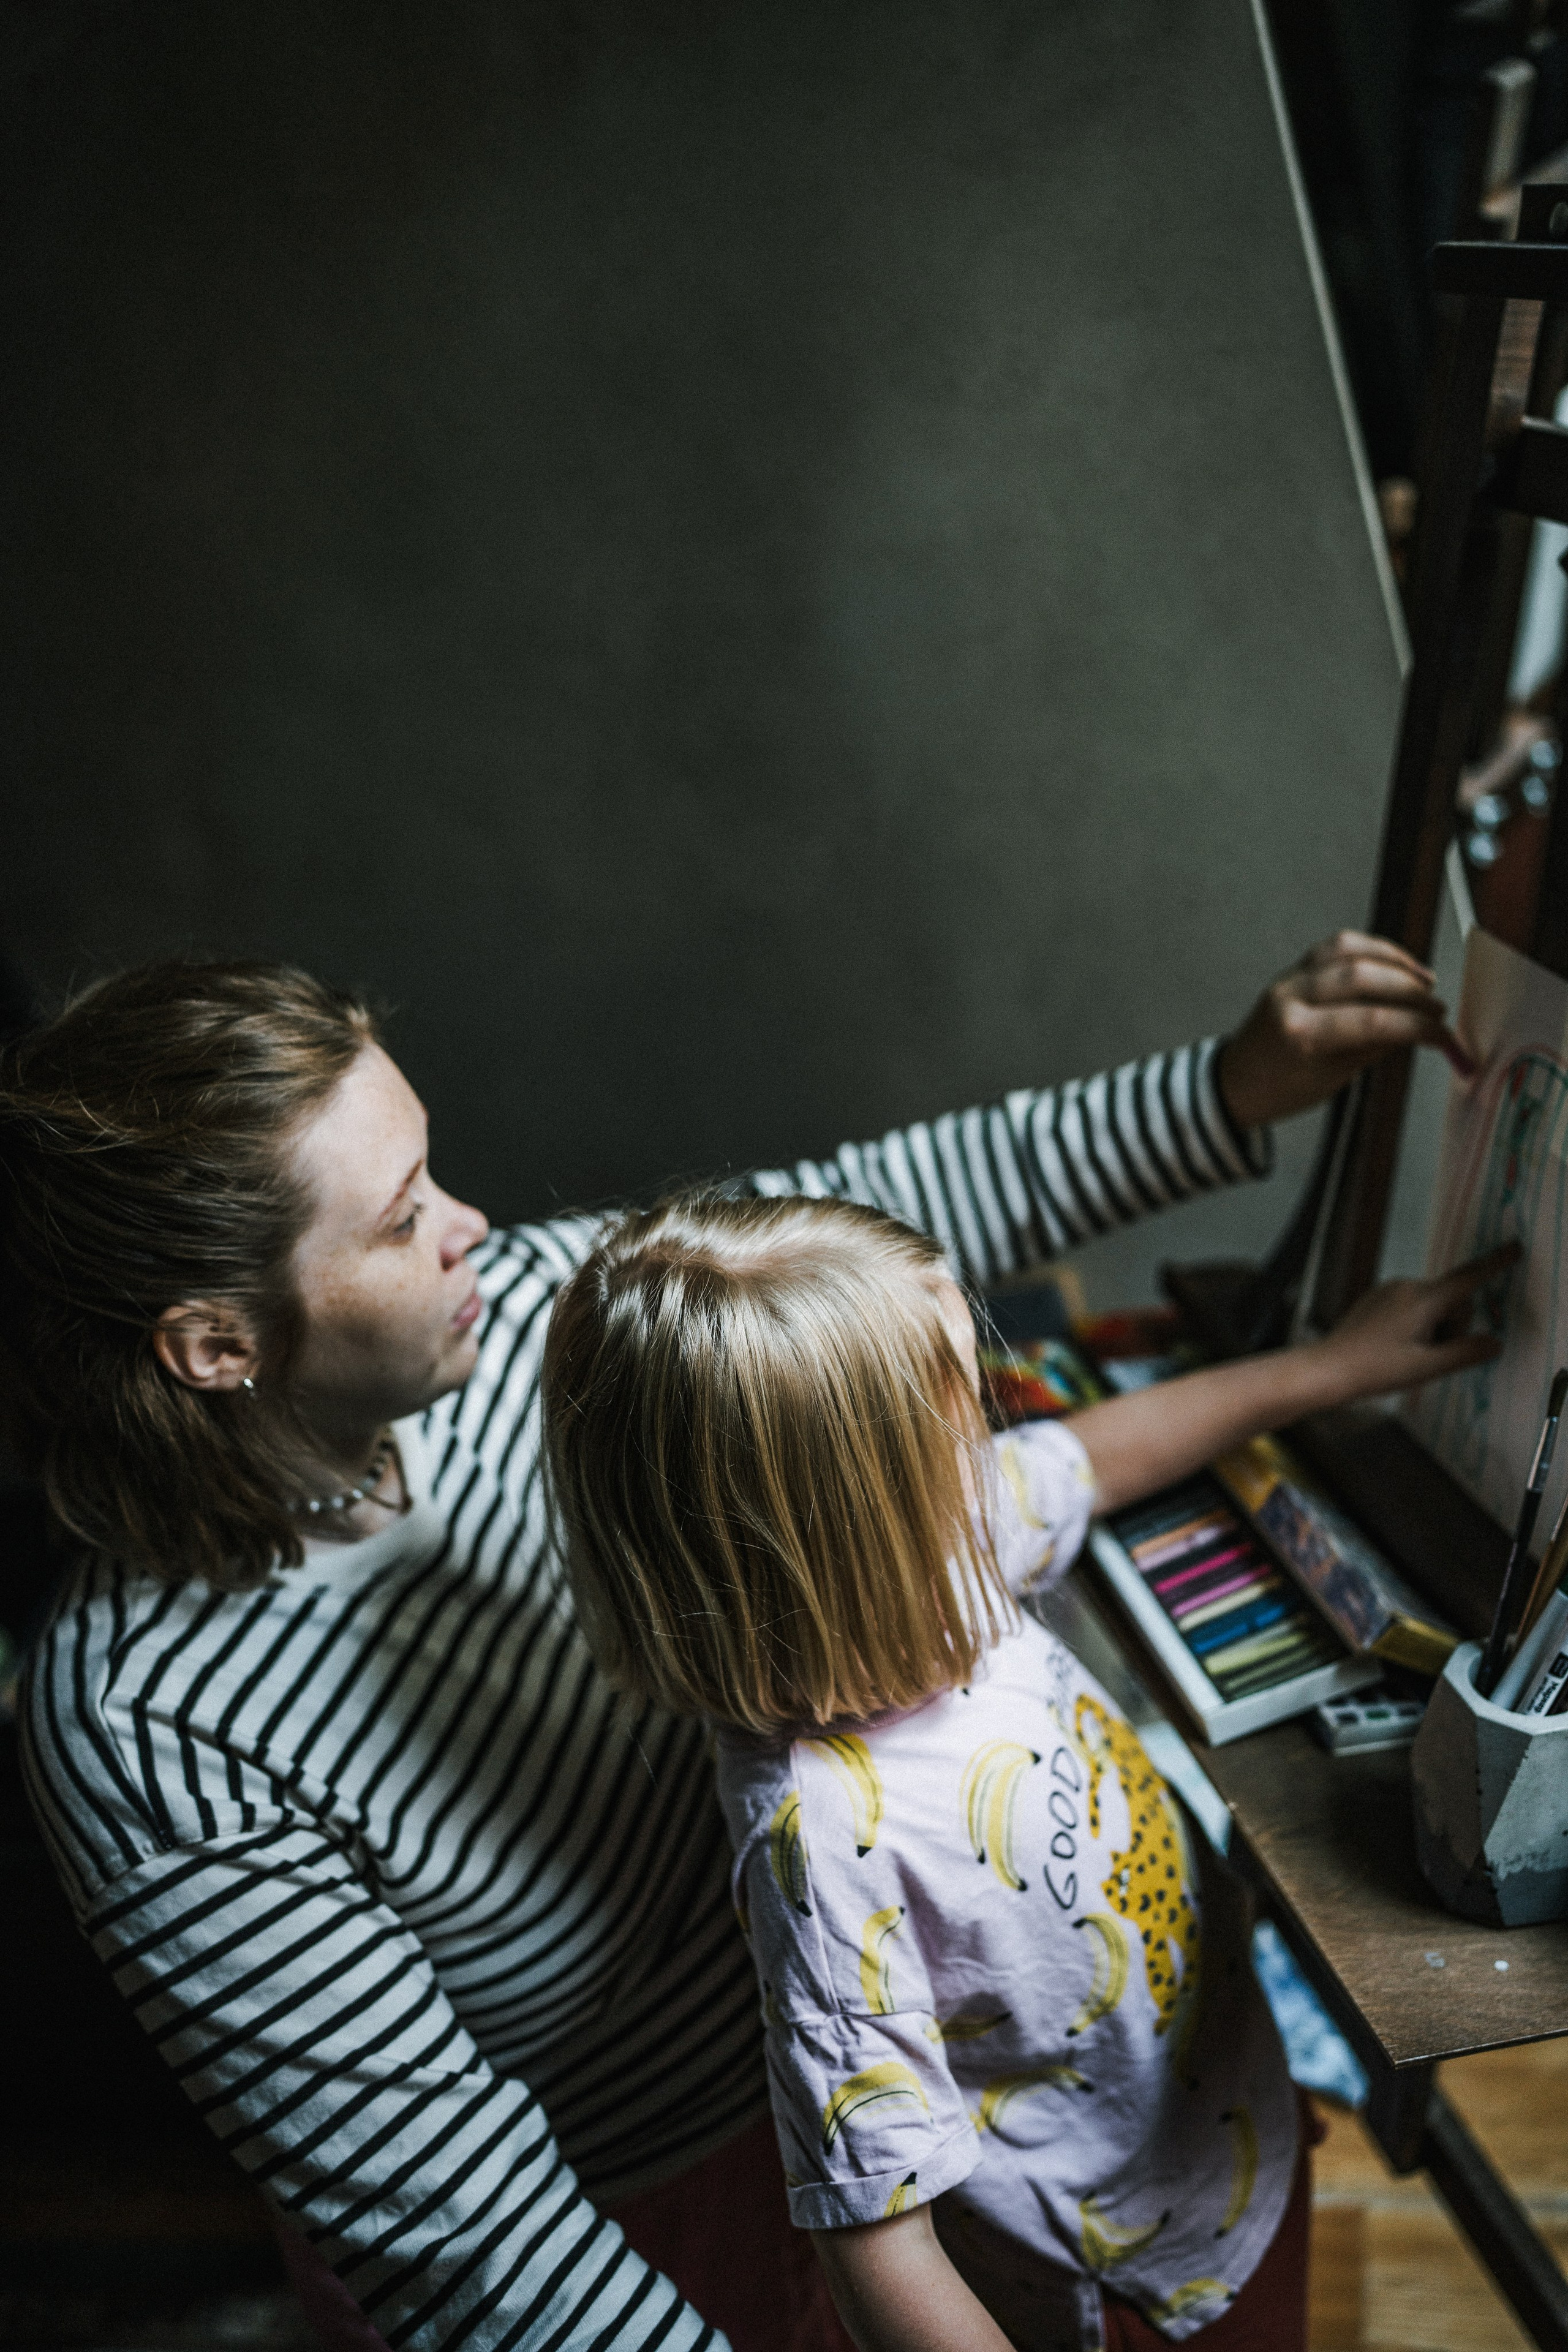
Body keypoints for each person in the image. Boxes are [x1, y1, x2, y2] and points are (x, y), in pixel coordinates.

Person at [2, 936, 1458, 2352]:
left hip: (962, 2121)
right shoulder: (144, 1731)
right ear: (213, 1345)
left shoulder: (514, 1323)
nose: (476, 1228)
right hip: (649, 2228)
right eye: (398, 1219)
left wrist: (1225, 1087)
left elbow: (854, 1218)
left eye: (430, 1165)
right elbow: (472, 2242)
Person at [540, 1193, 1498, 2352]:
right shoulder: (822, 1844)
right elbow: (879, 2248)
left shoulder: (936, 1544)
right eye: (961, 1418)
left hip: (1219, 2111)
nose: (989, 1438)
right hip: (1137, 2277)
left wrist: (1330, 1367)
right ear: (849, 1521)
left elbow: (1093, 1454)